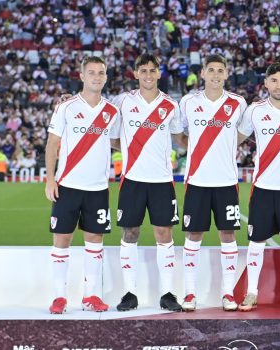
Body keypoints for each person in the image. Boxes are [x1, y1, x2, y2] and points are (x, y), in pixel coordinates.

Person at [45, 56, 120, 314]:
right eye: (91, 72)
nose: (96, 77)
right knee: (62, 238)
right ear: (82, 76)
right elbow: (52, 144)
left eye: (101, 72)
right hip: (68, 185)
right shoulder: (66, 107)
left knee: (95, 240)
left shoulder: (112, 111)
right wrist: (50, 179)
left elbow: (120, 141)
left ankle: (91, 296)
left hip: (98, 187)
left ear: (106, 77)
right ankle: (59, 297)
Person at [110, 53, 184, 312]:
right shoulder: (122, 102)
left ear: (159, 73)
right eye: (144, 70)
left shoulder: (171, 105)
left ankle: (167, 293)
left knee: (164, 234)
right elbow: (110, 134)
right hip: (132, 180)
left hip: (162, 181)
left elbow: (180, 139)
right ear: (135, 73)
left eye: (153, 70)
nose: (148, 75)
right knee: (130, 233)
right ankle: (129, 293)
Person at [177, 54, 248, 312]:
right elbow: (179, 134)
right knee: (193, 234)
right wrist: (198, 150)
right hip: (197, 180)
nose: (216, 75)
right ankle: (189, 293)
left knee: (227, 234)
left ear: (227, 74)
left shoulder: (238, 103)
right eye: (211, 70)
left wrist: (225, 147)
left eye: (221, 70)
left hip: (227, 181)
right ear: (203, 73)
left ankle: (228, 293)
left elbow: (243, 134)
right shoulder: (188, 102)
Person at [236, 62, 280, 312]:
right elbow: (236, 139)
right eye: (274, 80)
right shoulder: (254, 111)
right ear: (265, 84)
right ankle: (251, 292)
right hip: (263, 186)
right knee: (256, 241)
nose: (279, 85)